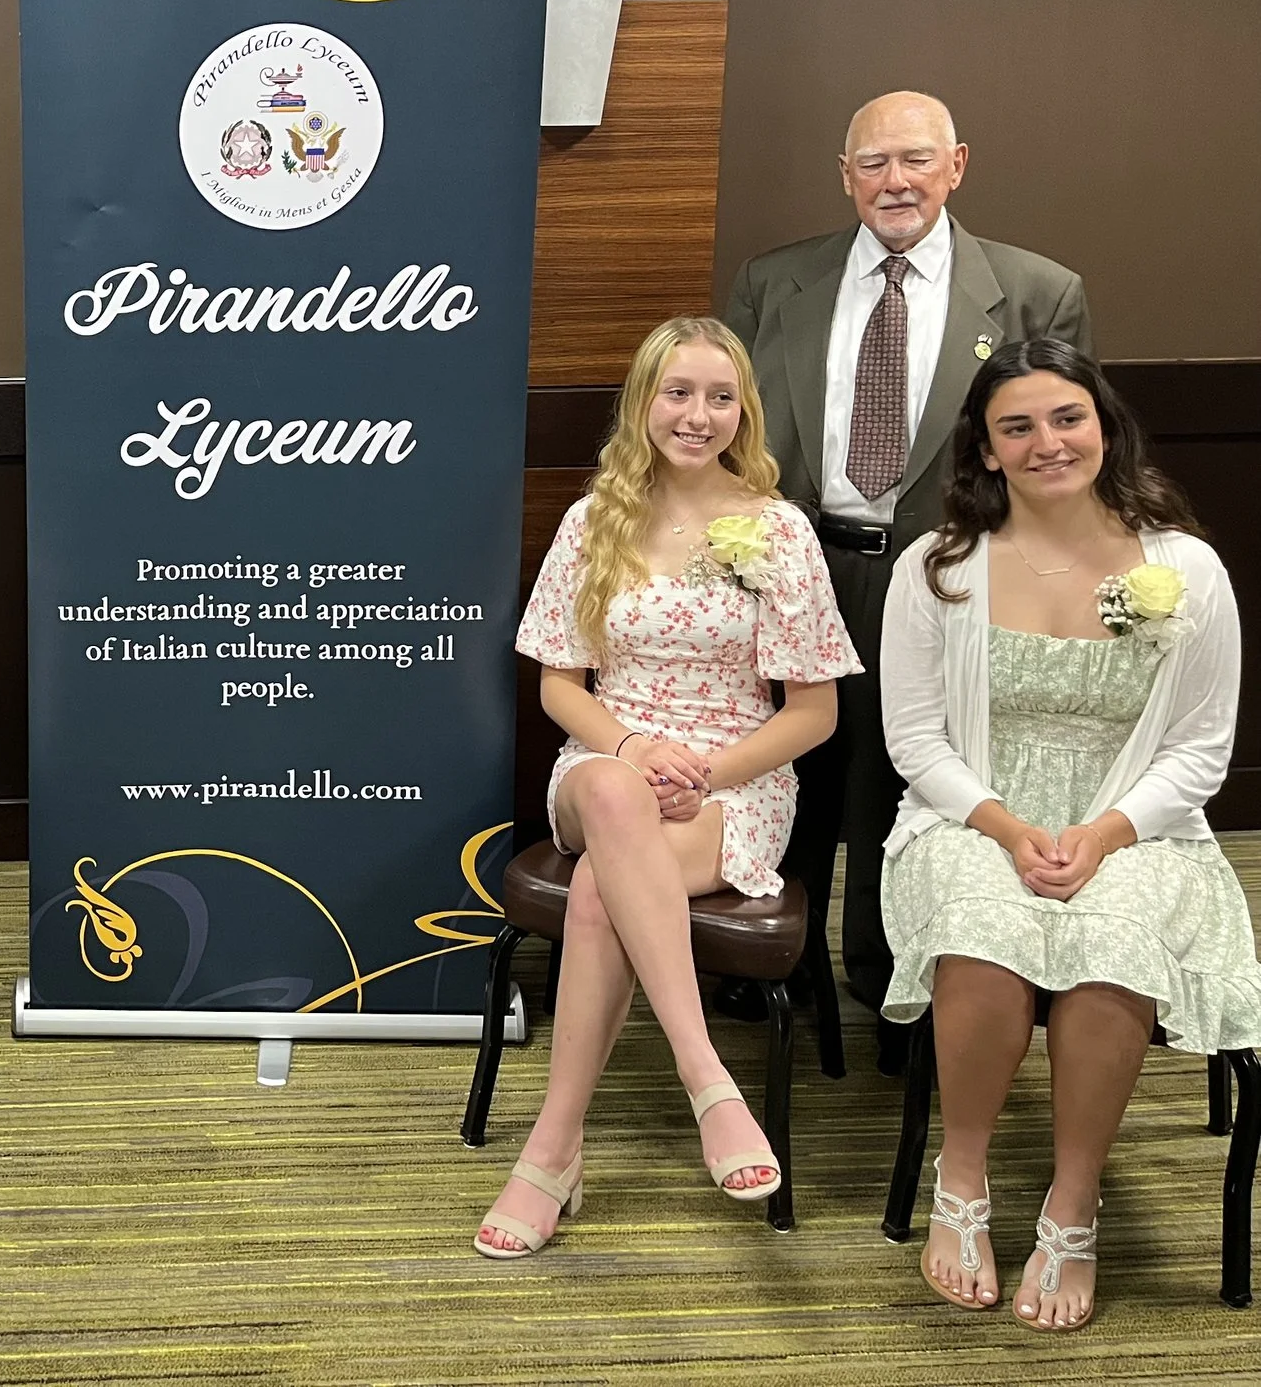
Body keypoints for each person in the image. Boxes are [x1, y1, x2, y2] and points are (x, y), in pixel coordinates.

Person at [880, 339, 1258, 1329]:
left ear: (1103, 427)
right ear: (986, 450)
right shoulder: (938, 568)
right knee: (980, 930)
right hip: (971, 813)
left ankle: (1071, 1203)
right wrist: (1006, 829)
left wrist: (1102, 835)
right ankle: (959, 1184)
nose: (1046, 442)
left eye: (1065, 419)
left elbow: (1199, 750)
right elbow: (915, 741)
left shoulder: (1188, 572)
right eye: (1017, 427)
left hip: (1138, 826)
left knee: (1109, 946)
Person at [476, 317, 859, 1259]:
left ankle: (552, 1151)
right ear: (644, 401)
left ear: (745, 411)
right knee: (611, 796)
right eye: (678, 392)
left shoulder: (777, 530)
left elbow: (814, 715)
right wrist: (637, 744)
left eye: (720, 397)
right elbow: (560, 683)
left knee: (611, 881)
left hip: (740, 776)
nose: (698, 415)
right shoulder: (594, 516)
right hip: (607, 754)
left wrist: (706, 774)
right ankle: (707, 1077)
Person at [725, 90, 1091, 1039]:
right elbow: (737, 436)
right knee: (792, 768)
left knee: (916, 776)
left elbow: (1058, 460)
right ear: (844, 176)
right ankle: (772, 965)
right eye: (875, 163)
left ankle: (894, 982)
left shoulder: (1035, 290)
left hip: (947, 572)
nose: (897, 182)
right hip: (799, 567)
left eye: (916, 160)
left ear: (956, 165)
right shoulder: (776, 280)